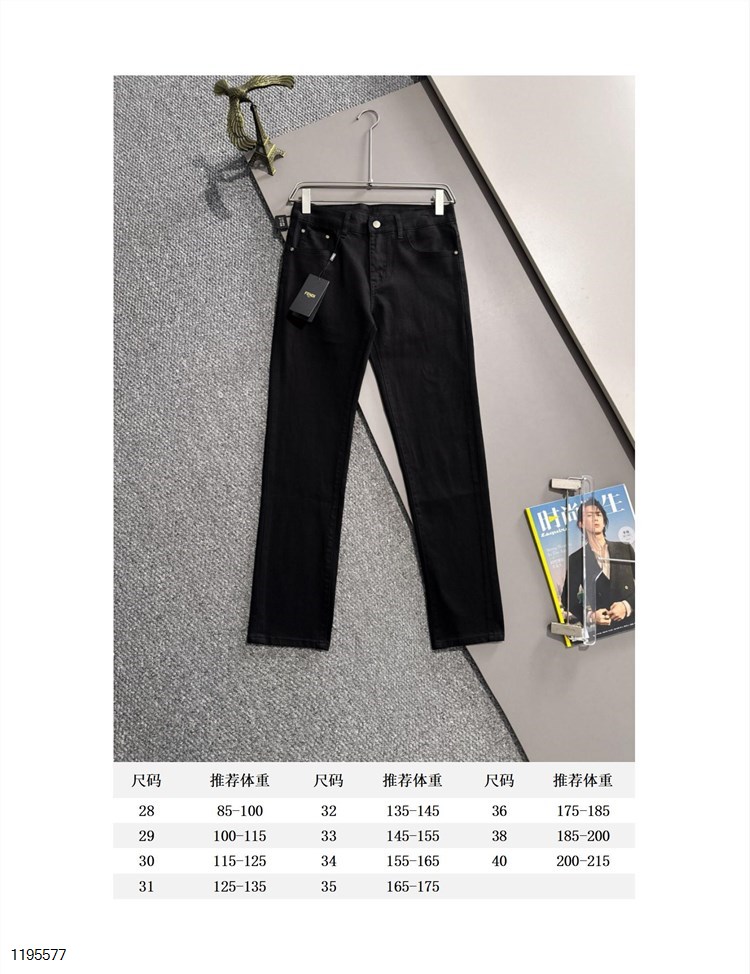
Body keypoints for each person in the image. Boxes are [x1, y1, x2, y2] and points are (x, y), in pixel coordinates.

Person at [560, 498, 635, 631]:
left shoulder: (624, 548)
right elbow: (567, 599)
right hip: (604, 630)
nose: (595, 518)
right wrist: (591, 616)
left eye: (599, 514)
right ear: (581, 524)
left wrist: (626, 605)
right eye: (589, 515)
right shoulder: (575, 559)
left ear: (604, 520)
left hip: (634, 623)